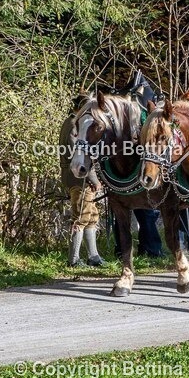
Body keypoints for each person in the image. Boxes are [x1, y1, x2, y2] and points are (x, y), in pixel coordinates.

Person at [59, 94, 105, 267]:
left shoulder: (71, 122)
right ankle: (73, 259)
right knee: (80, 217)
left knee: (91, 216)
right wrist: (94, 178)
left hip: (80, 177)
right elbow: (78, 158)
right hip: (79, 178)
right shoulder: (74, 124)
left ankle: (93, 256)